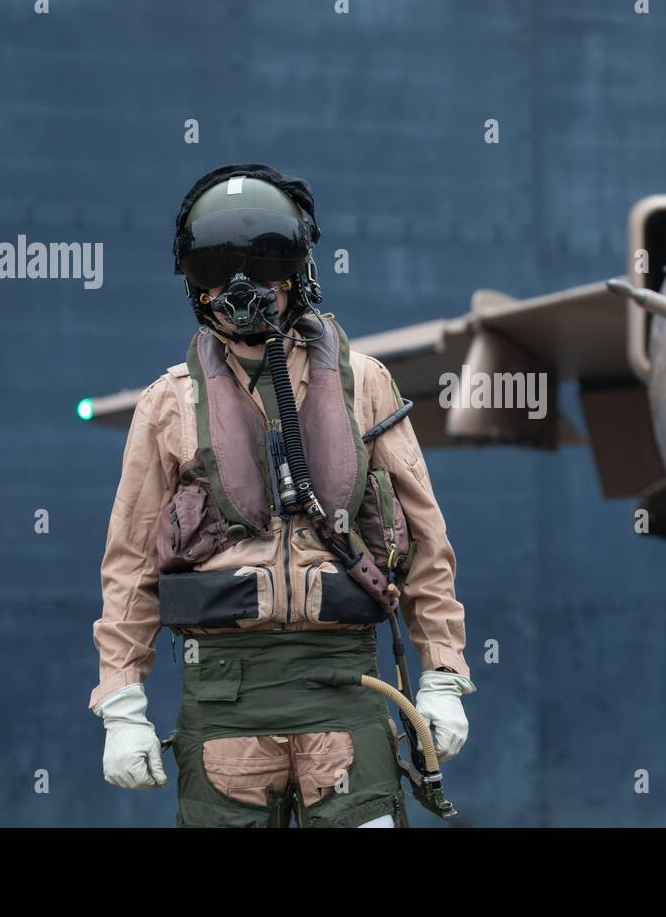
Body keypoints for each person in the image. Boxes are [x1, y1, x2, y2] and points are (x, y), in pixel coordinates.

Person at [88, 163, 474, 827]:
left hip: (344, 690)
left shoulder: (364, 383)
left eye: (263, 262)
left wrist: (442, 672)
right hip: (224, 699)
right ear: (193, 283)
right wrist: (121, 703)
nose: (240, 287)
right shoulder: (168, 404)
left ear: (297, 271)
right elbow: (130, 565)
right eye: (217, 268)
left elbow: (425, 538)